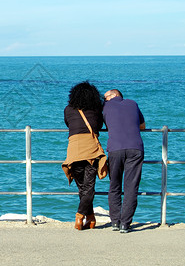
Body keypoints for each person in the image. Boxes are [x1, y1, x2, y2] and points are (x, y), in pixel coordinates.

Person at [61, 81, 107, 230]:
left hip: (74, 150)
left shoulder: (68, 110)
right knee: (88, 187)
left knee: (83, 188)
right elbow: (99, 126)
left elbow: (68, 124)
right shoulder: (96, 110)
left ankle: (91, 218)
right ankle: (80, 217)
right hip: (91, 151)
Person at [103, 89, 145, 233]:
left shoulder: (106, 107)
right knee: (131, 187)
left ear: (114, 95)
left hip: (115, 148)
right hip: (135, 148)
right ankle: (125, 224)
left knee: (114, 185)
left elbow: (107, 124)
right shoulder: (133, 104)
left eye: (106, 98)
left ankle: (115, 221)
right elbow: (142, 126)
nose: (105, 100)